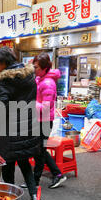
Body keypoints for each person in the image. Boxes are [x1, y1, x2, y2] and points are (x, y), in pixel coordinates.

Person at [0, 47, 42, 200]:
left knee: (7, 163)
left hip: (10, 127)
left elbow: (2, 107)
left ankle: (12, 198)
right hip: (28, 124)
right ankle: (34, 196)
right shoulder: (29, 76)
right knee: (24, 161)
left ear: (2, 63)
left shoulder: (5, 81)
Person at [32, 53, 67, 189]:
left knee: (40, 150)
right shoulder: (40, 79)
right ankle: (54, 175)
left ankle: (36, 180)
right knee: (40, 149)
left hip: (45, 121)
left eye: (36, 67)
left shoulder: (48, 83)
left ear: (44, 68)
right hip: (39, 120)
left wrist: (31, 103)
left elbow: (46, 107)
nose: (34, 70)